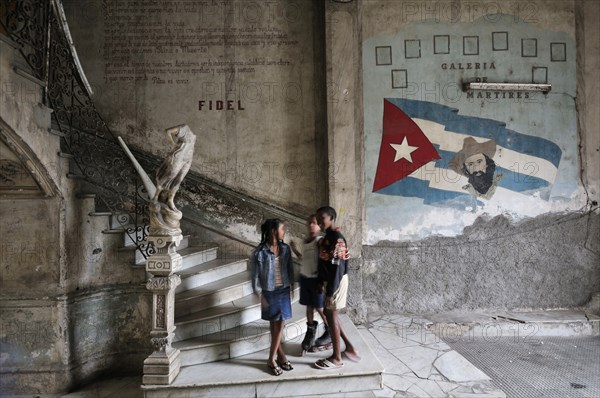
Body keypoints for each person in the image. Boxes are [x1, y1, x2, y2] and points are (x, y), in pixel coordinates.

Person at [314, 206, 361, 370]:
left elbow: (337, 268)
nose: (320, 221)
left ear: (332, 218)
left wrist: (330, 291)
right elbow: (323, 263)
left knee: (331, 315)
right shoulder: (326, 238)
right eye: (318, 218)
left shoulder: (337, 239)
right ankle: (349, 347)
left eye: (323, 218)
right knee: (330, 314)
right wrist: (320, 282)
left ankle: (336, 358)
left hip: (336, 281)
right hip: (329, 281)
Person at [251, 219, 295, 376]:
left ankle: (277, 356)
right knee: (275, 323)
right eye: (282, 229)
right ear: (273, 232)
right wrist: (258, 294)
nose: (284, 232)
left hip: (283, 290)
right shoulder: (260, 252)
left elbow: (290, 268)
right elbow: (254, 276)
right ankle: (274, 358)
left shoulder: (285, 249)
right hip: (269, 291)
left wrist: (293, 285)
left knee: (280, 323)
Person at [290, 214, 331, 354]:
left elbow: (323, 260)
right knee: (309, 307)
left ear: (320, 226)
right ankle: (310, 332)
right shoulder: (306, 241)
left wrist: (323, 281)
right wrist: (295, 250)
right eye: (309, 223)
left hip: (316, 280)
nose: (311, 225)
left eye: (314, 223)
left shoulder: (320, 241)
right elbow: (305, 259)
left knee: (319, 307)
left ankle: (329, 329)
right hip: (305, 279)